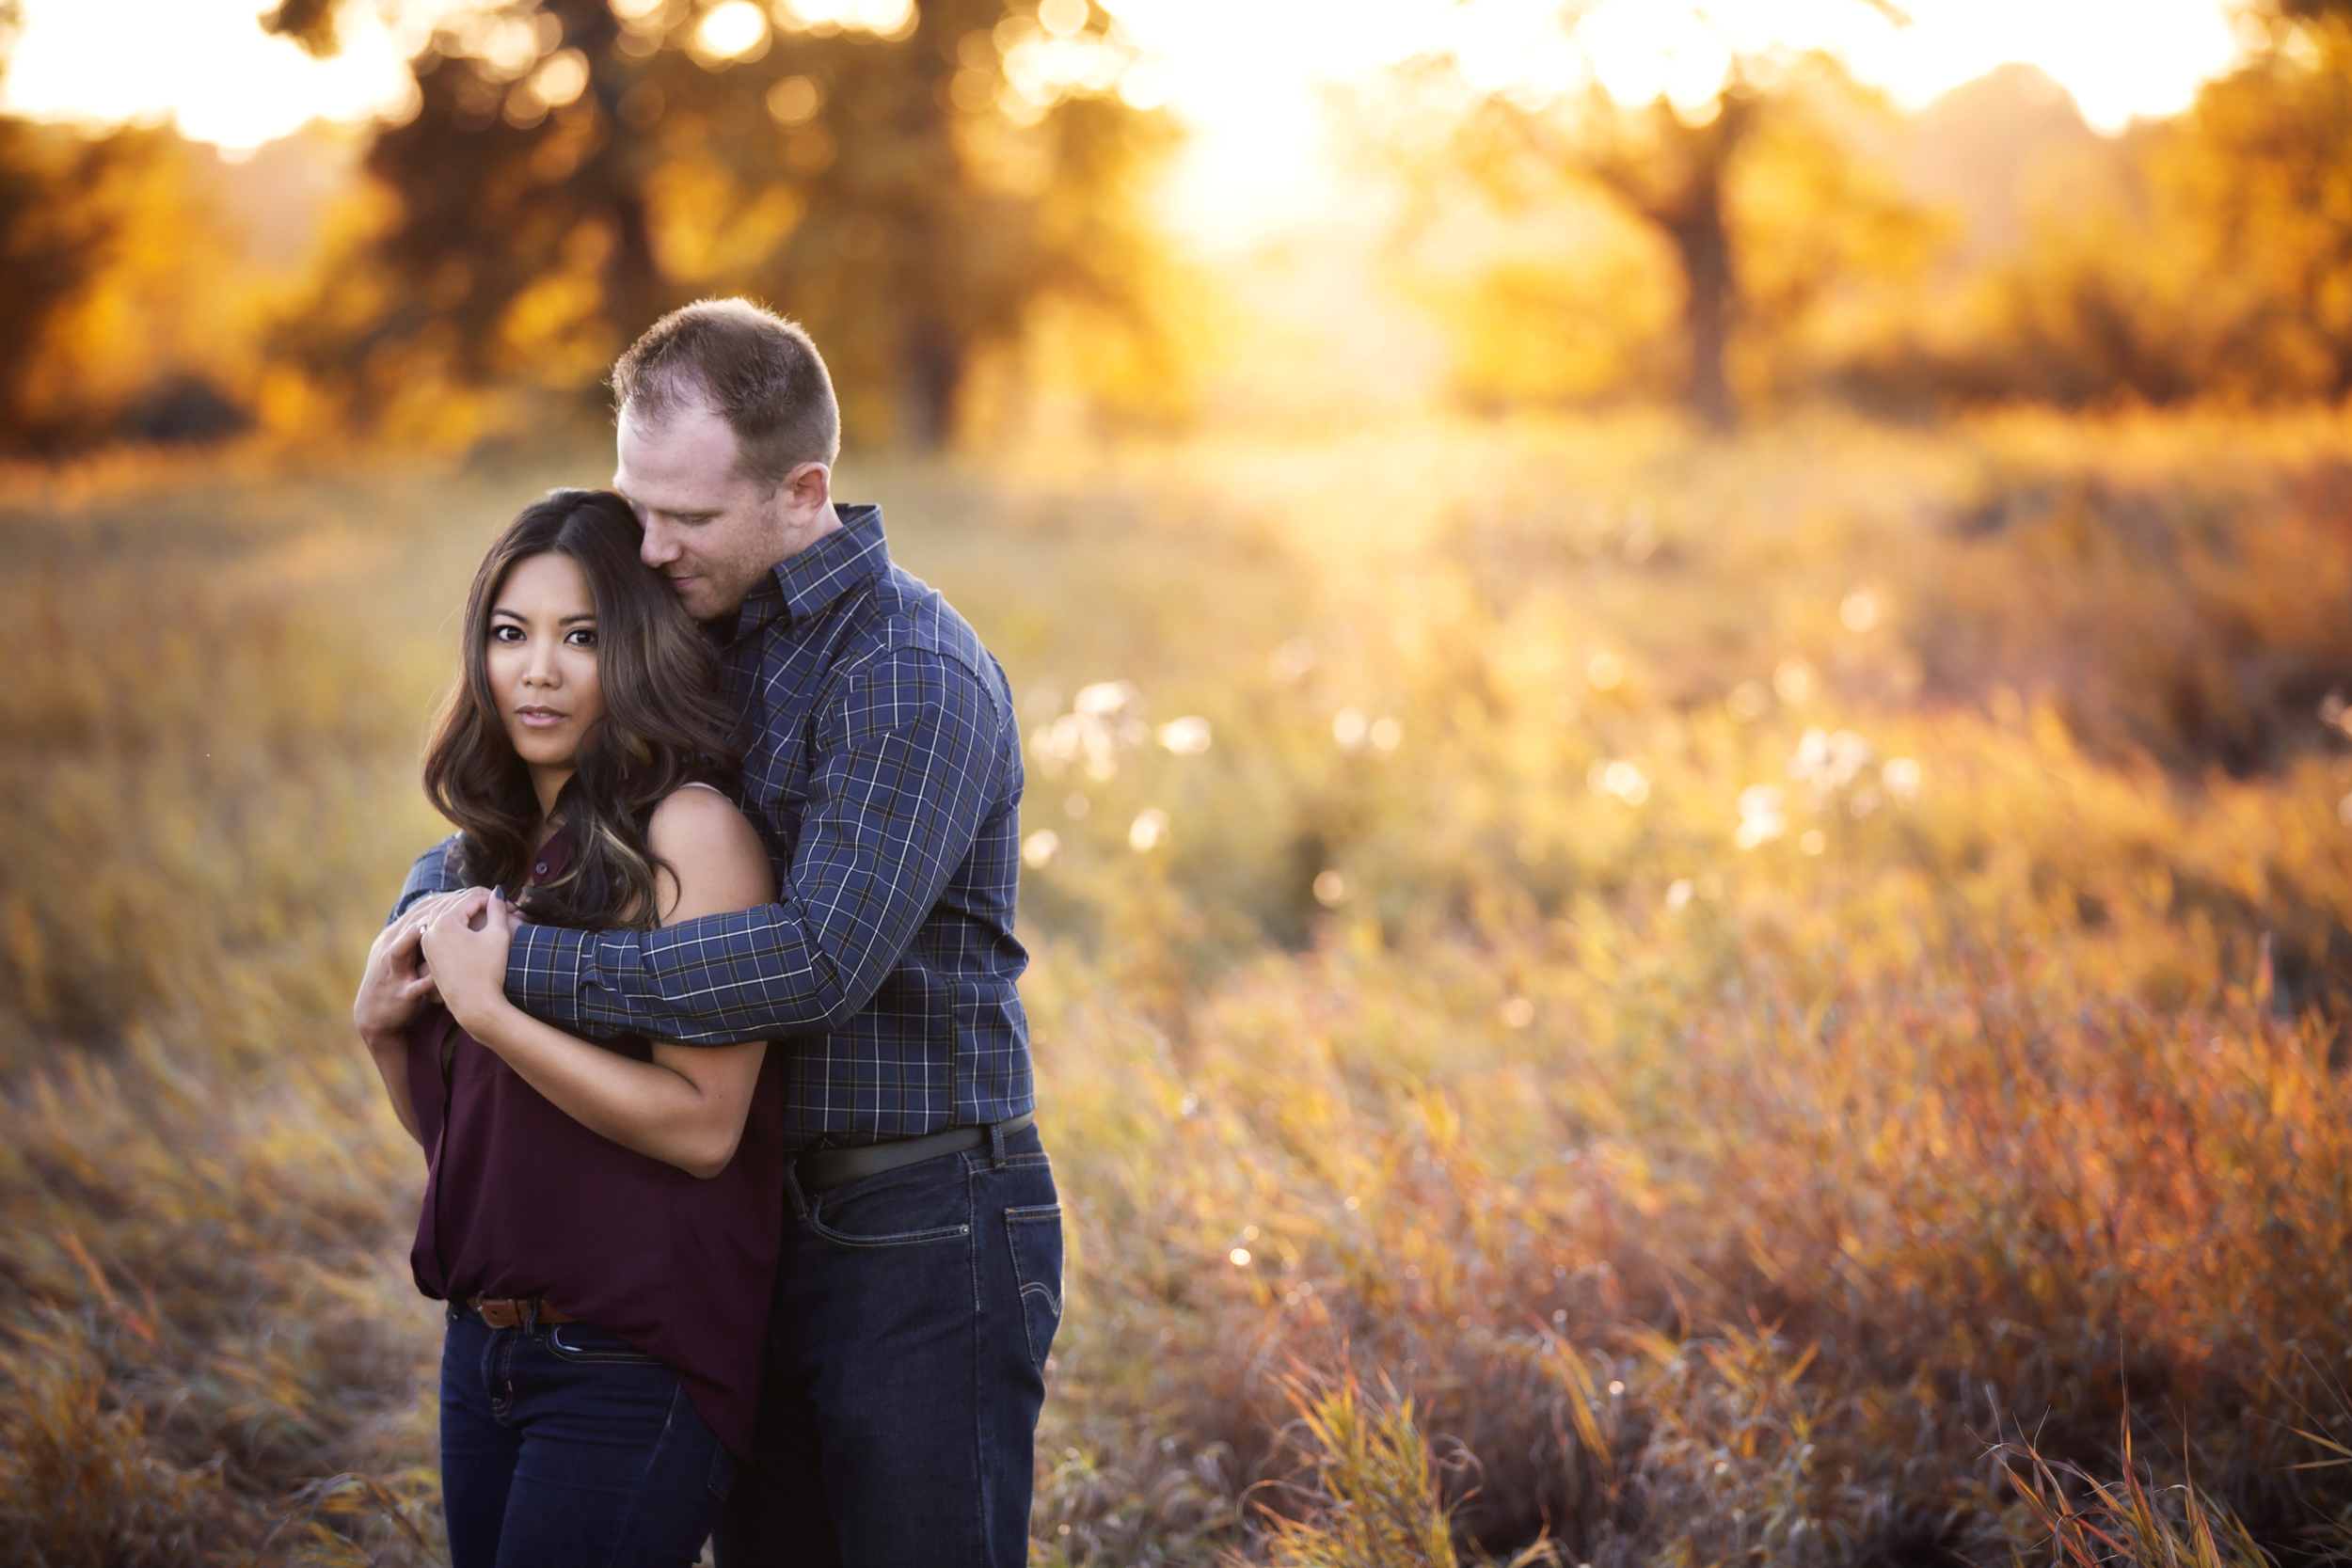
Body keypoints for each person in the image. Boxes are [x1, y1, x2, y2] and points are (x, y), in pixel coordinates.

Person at [389, 299, 1058, 1568]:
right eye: (637, 502)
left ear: (802, 491)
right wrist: (427, 915)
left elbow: (818, 960)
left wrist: (516, 964)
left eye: (686, 517)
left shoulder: (907, 669)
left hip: (913, 1217)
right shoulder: (703, 623)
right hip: (741, 1220)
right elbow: (572, 797)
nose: (649, 544)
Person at [354, 488, 783, 1566]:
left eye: (579, 637)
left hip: (630, 1361)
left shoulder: (690, 830)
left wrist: (491, 1012)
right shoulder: (481, 855)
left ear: (635, 649)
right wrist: (380, 1032)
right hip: (482, 1349)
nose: (536, 670)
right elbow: (471, 1147)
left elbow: (704, 1126)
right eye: (511, 634)